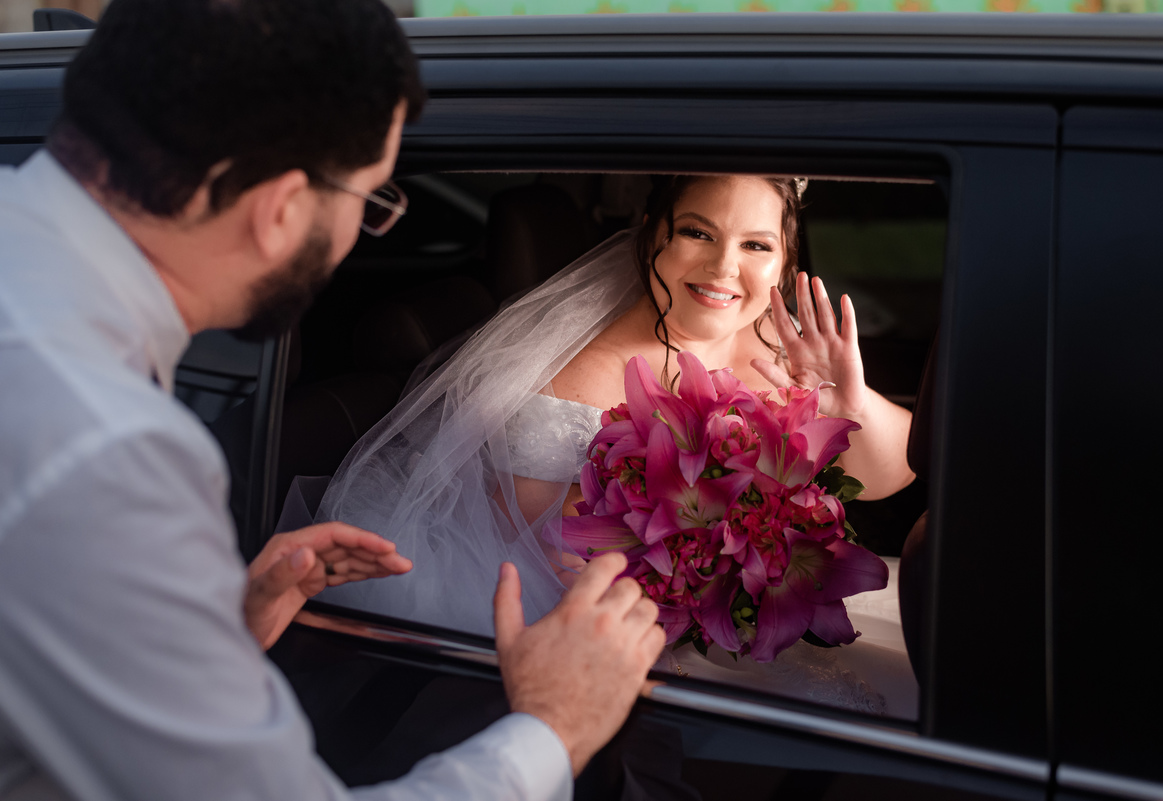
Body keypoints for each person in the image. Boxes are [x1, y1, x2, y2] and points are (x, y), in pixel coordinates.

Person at [0, 1, 664, 800]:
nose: (360, 233)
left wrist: (202, 629)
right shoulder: (107, 446)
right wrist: (553, 727)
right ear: (281, 209)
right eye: (372, 201)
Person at [316, 174, 919, 717]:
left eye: (756, 245)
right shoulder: (570, 378)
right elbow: (545, 557)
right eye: (696, 233)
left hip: (743, 620)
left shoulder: (780, 351)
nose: (723, 267)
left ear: (784, 262)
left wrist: (846, 403)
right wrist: (707, 574)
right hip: (608, 626)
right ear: (651, 235)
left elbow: (892, 477)